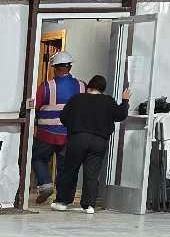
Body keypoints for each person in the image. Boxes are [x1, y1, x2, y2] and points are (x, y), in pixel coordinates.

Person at [52, 75, 131, 213]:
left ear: (89, 86)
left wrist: (74, 125)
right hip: (99, 141)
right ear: (103, 89)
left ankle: (62, 202)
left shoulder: (77, 99)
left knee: (70, 170)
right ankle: (89, 205)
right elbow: (120, 115)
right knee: (92, 173)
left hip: (78, 139)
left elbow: (64, 117)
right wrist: (125, 101)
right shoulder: (108, 101)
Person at [31, 53, 80, 202]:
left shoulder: (46, 87)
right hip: (69, 134)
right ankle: (62, 198)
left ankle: (45, 183)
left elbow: (35, 107)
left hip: (46, 133)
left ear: (54, 68)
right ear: (70, 67)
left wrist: (33, 126)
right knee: (64, 167)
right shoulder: (81, 85)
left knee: (38, 158)